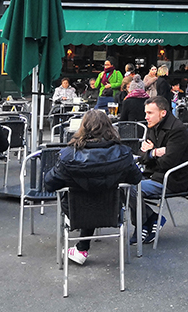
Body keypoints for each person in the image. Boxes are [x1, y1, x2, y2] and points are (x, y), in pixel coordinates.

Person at [44, 109, 142, 264]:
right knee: (98, 193)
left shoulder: (69, 156)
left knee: (85, 194)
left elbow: (49, 184)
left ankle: (81, 248)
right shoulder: (123, 154)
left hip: (76, 210)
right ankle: (82, 248)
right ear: (110, 127)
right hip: (111, 209)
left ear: (83, 127)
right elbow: (136, 178)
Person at [130, 97, 188, 244]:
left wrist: (150, 153)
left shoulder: (177, 130)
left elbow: (167, 163)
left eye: (150, 113)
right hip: (152, 175)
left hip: (171, 180)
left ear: (163, 113)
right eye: (146, 113)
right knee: (119, 183)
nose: (146, 117)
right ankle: (151, 218)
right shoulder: (153, 126)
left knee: (129, 189)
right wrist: (154, 152)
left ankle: (144, 224)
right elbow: (142, 156)